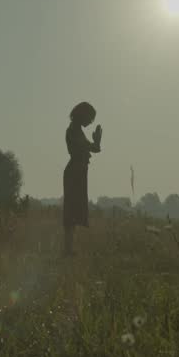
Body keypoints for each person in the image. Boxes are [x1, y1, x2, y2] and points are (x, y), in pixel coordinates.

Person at [62, 102, 102, 256]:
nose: (90, 122)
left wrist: (97, 141)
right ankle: (68, 249)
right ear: (82, 114)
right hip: (74, 172)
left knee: (76, 210)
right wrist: (94, 143)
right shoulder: (72, 130)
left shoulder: (77, 130)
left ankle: (69, 249)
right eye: (90, 118)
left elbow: (94, 148)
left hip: (79, 171)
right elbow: (84, 147)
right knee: (71, 210)